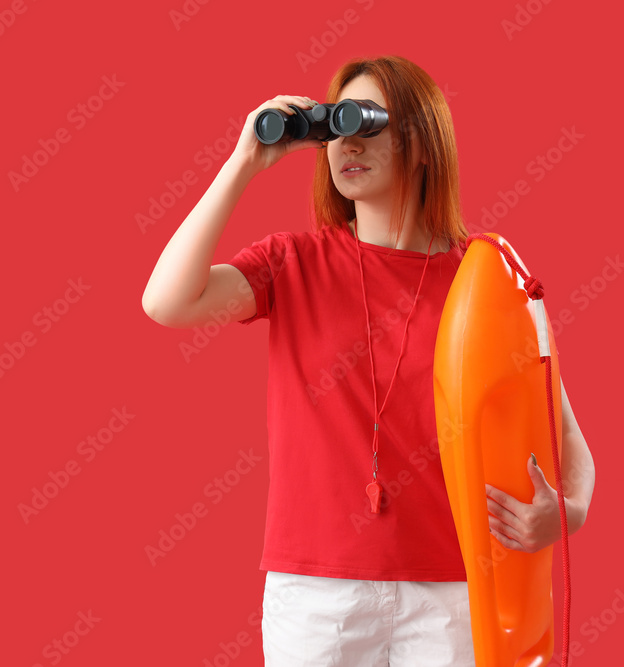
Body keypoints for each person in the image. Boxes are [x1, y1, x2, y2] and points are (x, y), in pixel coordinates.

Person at [141, 55, 594, 666]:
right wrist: (245, 160)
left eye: (368, 121)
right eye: (333, 126)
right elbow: (168, 302)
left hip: (453, 587)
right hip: (318, 591)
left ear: (424, 142)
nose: (346, 142)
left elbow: (567, 436)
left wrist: (567, 513)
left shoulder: (487, 279)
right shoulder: (295, 263)